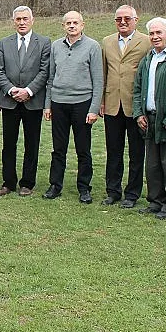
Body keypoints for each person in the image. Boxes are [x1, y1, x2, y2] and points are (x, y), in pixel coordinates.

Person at [43, 11, 103, 204]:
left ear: (82, 25)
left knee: (83, 149)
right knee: (58, 148)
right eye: (68, 23)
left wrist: (93, 109)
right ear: (63, 26)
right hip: (59, 103)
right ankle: (55, 185)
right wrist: (48, 105)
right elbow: (50, 78)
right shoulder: (56, 46)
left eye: (75, 22)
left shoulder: (93, 47)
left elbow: (98, 80)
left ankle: (84, 187)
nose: (72, 26)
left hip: (82, 103)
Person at [0, 6, 51, 197]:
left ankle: (27, 183)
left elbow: (44, 71)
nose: (21, 22)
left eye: (25, 19)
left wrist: (28, 91)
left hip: (32, 101)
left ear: (32, 20)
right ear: (13, 22)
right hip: (10, 101)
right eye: (18, 19)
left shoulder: (43, 42)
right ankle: (8, 182)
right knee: (8, 144)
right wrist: (11, 90)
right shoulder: (4, 43)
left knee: (31, 143)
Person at [132, 17, 166, 220]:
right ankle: (156, 201)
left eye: (159, 33)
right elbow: (137, 90)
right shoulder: (148, 59)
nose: (155, 37)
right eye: (152, 33)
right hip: (149, 120)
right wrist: (138, 114)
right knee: (152, 165)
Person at [100, 5, 151, 208]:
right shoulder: (107, 42)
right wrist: (101, 101)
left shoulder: (146, 41)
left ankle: (132, 193)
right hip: (113, 104)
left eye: (127, 18)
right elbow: (103, 73)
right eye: (118, 19)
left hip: (135, 106)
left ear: (135, 20)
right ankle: (113, 191)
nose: (122, 22)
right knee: (113, 151)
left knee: (136, 153)